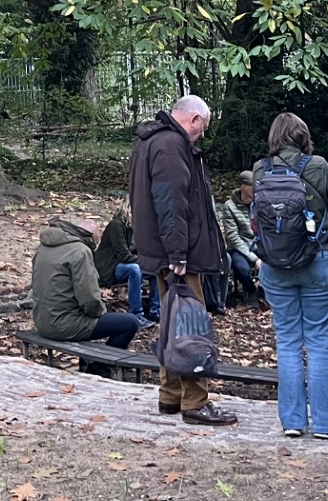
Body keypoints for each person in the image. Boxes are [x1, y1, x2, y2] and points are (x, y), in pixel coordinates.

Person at [128, 94, 237, 427]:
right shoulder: (172, 146)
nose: (201, 135)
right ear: (193, 120)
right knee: (191, 324)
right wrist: (177, 253)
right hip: (178, 255)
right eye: (202, 128)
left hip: (160, 250)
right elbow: (171, 202)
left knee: (172, 323)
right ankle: (195, 402)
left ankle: (170, 395)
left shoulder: (150, 142)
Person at [256, 112, 328, 439]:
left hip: (275, 267)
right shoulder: (318, 165)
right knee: (319, 343)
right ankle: (324, 424)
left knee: (288, 342)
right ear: (302, 135)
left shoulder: (259, 169)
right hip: (317, 260)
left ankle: (293, 422)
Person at [30, 218, 141, 367]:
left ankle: (88, 361)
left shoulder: (43, 247)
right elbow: (89, 299)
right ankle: (99, 368)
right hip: (63, 325)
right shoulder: (80, 251)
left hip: (42, 320)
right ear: (90, 238)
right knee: (130, 323)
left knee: (94, 317)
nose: (94, 248)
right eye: (95, 244)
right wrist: (101, 310)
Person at [93, 207, 158, 322]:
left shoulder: (137, 227)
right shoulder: (116, 225)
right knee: (135, 269)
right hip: (109, 267)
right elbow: (123, 255)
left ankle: (156, 311)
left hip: (124, 264)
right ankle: (136, 314)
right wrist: (147, 262)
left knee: (156, 268)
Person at [220, 172, 261, 305]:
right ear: (243, 187)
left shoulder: (260, 203)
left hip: (259, 244)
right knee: (242, 268)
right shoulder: (229, 206)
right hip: (239, 248)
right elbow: (233, 237)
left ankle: (266, 290)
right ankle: (251, 292)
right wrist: (254, 258)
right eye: (252, 185)